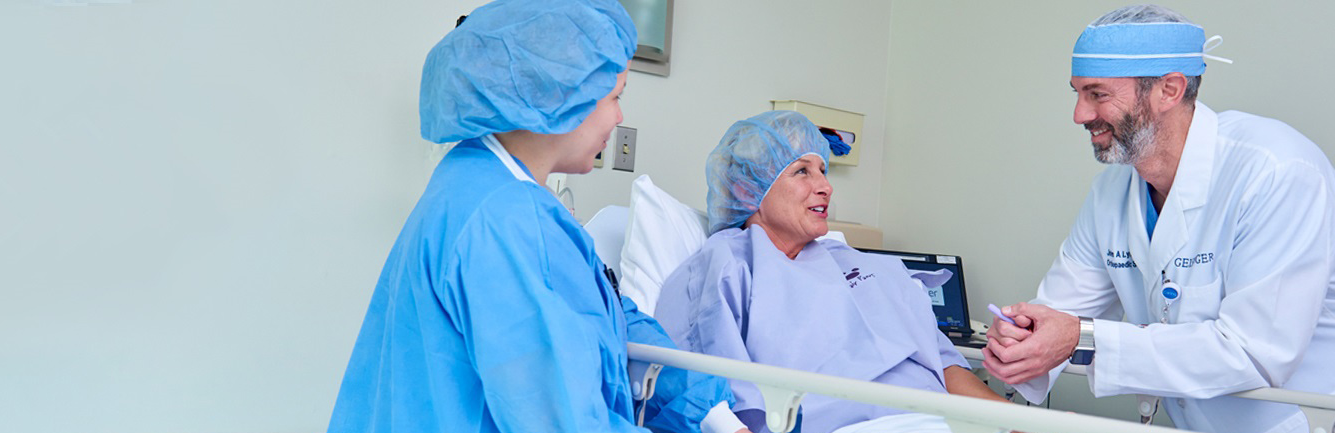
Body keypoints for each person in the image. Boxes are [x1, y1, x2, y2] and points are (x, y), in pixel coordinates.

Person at [327, 1, 748, 432]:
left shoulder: (484, 182)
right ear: (557, 92)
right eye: (614, 96)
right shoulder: (505, 219)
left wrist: (715, 416)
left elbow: (610, 317)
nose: (620, 117)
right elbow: (558, 417)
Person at [982, 5, 1335, 432]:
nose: (1079, 114)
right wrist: (1022, 338)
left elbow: (1255, 353)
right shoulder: (1111, 194)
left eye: (1098, 94)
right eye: (1076, 93)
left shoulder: (1277, 171)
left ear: (1169, 89)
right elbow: (1062, 311)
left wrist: (1080, 337)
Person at [653, 111, 1010, 433]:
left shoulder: (864, 264)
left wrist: (1020, 424)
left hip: (944, 422)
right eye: (802, 171)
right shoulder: (727, 263)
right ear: (749, 189)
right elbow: (698, 384)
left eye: (823, 170)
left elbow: (944, 364)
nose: (825, 186)